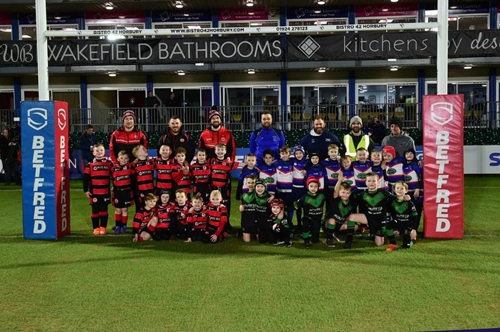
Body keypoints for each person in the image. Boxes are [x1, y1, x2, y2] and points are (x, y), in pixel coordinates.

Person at [83, 144, 112, 236]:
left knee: (104, 210)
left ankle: (103, 227)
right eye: (97, 150)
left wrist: (115, 187)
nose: (99, 152)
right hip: (94, 193)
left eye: (101, 150)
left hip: (105, 192)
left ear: (104, 151)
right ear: (93, 152)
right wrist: (85, 190)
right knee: (95, 210)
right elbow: (86, 179)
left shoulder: (109, 163)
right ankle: (96, 228)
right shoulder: (90, 164)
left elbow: (115, 175)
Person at [324, 180, 358, 247]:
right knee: (332, 221)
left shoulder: (351, 203)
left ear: (350, 193)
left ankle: (339, 234)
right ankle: (329, 238)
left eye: (347, 193)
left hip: (340, 225)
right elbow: (335, 192)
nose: (345, 195)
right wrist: (339, 180)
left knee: (355, 226)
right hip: (329, 224)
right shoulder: (336, 200)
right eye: (343, 192)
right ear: (339, 192)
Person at [294, 178, 326, 247]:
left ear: (318, 186)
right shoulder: (305, 197)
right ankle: (306, 240)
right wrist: (294, 205)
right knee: (305, 224)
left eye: (315, 186)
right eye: (311, 186)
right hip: (308, 218)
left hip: (317, 219)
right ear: (307, 186)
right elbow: (297, 205)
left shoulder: (322, 196)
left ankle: (311, 235)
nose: (313, 188)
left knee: (315, 240)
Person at [390, 180, 419, 249]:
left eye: (402, 188)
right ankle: (392, 242)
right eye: (397, 188)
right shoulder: (392, 201)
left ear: (406, 191)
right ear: (394, 190)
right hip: (398, 223)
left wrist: (414, 229)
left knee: (406, 246)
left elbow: (415, 216)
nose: (399, 190)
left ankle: (412, 239)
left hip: (408, 225)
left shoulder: (409, 203)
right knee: (386, 225)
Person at [111, 150, 134, 234]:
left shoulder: (130, 167)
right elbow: (113, 180)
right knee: (118, 210)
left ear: (128, 159)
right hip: (117, 192)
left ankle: (124, 226)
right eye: (121, 158)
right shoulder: (114, 168)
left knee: (124, 209)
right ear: (118, 158)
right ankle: (118, 225)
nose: (123, 160)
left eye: (125, 158)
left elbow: (133, 178)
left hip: (126, 192)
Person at [131, 144, 155, 211]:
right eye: (143, 149)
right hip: (140, 193)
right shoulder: (133, 165)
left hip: (151, 191)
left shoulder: (151, 162)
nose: (145, 149)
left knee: (151, 210)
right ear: (137, 153)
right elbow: (133, 180)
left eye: (145, 148)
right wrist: (137, 193)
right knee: (140, 211)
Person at [239, 174, 257, 243]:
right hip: (246, 220)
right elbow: (242, 205)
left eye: (253, 183)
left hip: (256, 220)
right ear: (246, 183)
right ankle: (242, 231)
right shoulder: (243, 195)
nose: (250, 184)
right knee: (247, 241)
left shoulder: (258, 194)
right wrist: (241, 207)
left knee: (261, 240)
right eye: (249, 183)